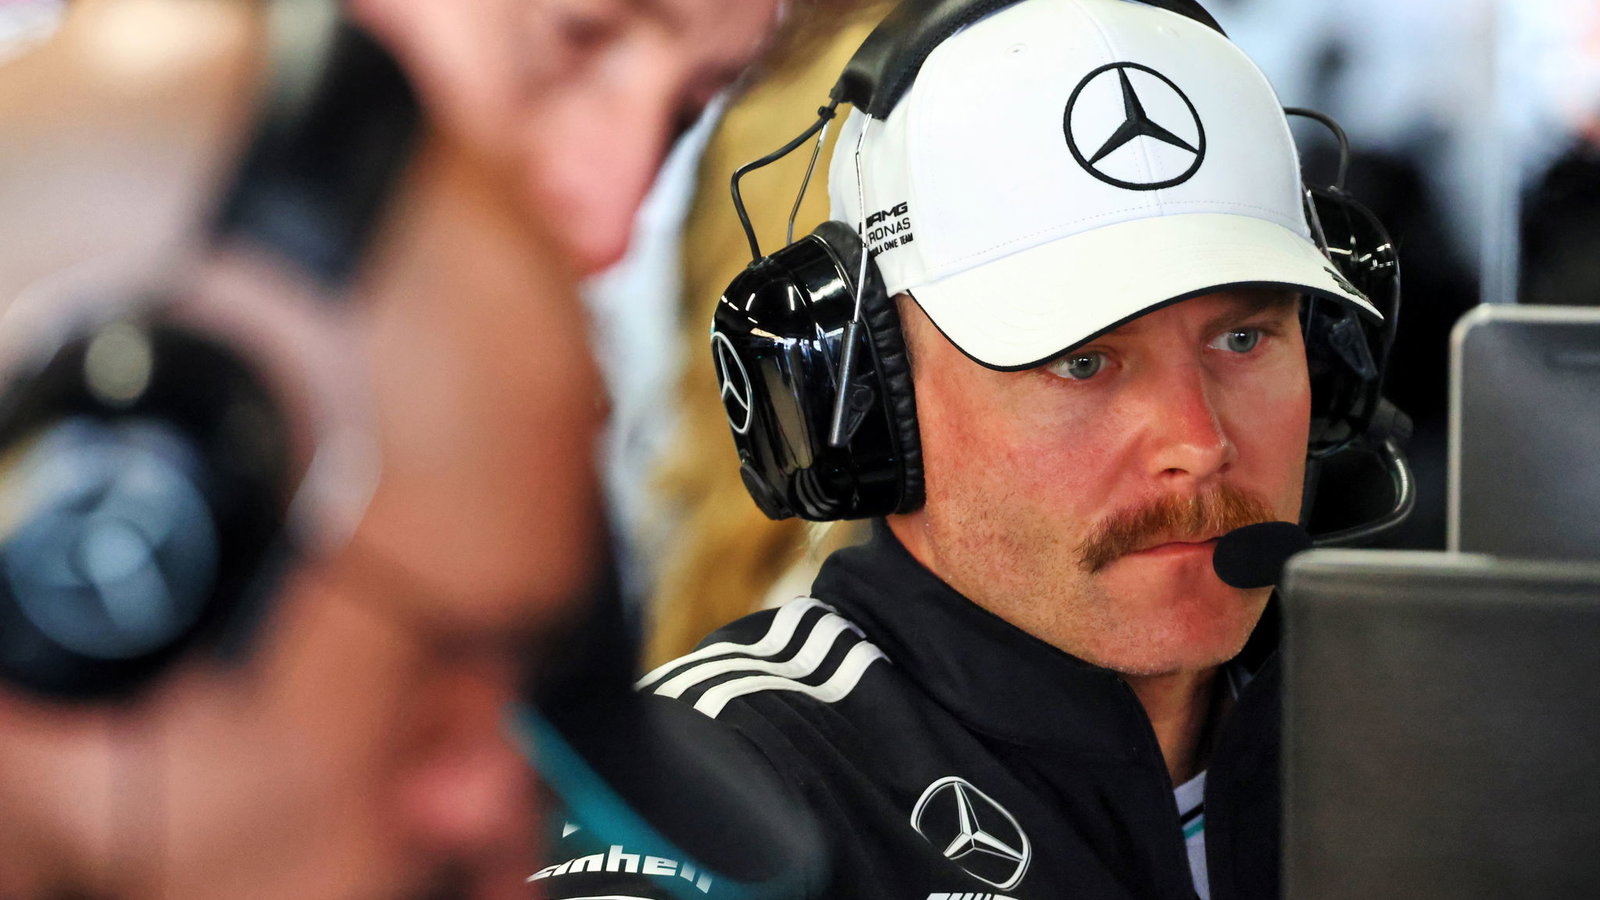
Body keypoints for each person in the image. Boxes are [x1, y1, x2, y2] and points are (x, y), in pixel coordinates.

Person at [539, 0, 1402, 897]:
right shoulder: (707, 790)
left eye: (1243, 340)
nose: (1198, 442)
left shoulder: (1442, 739)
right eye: (1082, 361)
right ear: (871, 403)